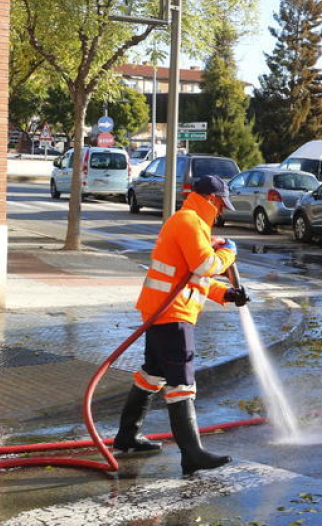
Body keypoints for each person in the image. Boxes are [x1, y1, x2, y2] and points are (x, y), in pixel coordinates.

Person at [112, 174, 251, 474]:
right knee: (182, 382)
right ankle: (192, 453)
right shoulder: (189, 221)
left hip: (163, 310)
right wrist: (228, 252)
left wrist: (226, 293)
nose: (222, 211)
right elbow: (206, 265)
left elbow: (194, 278)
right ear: (212, 199)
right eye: (221, 205)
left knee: (153, 373)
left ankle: (127, 437)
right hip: (172, 313)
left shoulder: (191, 223)